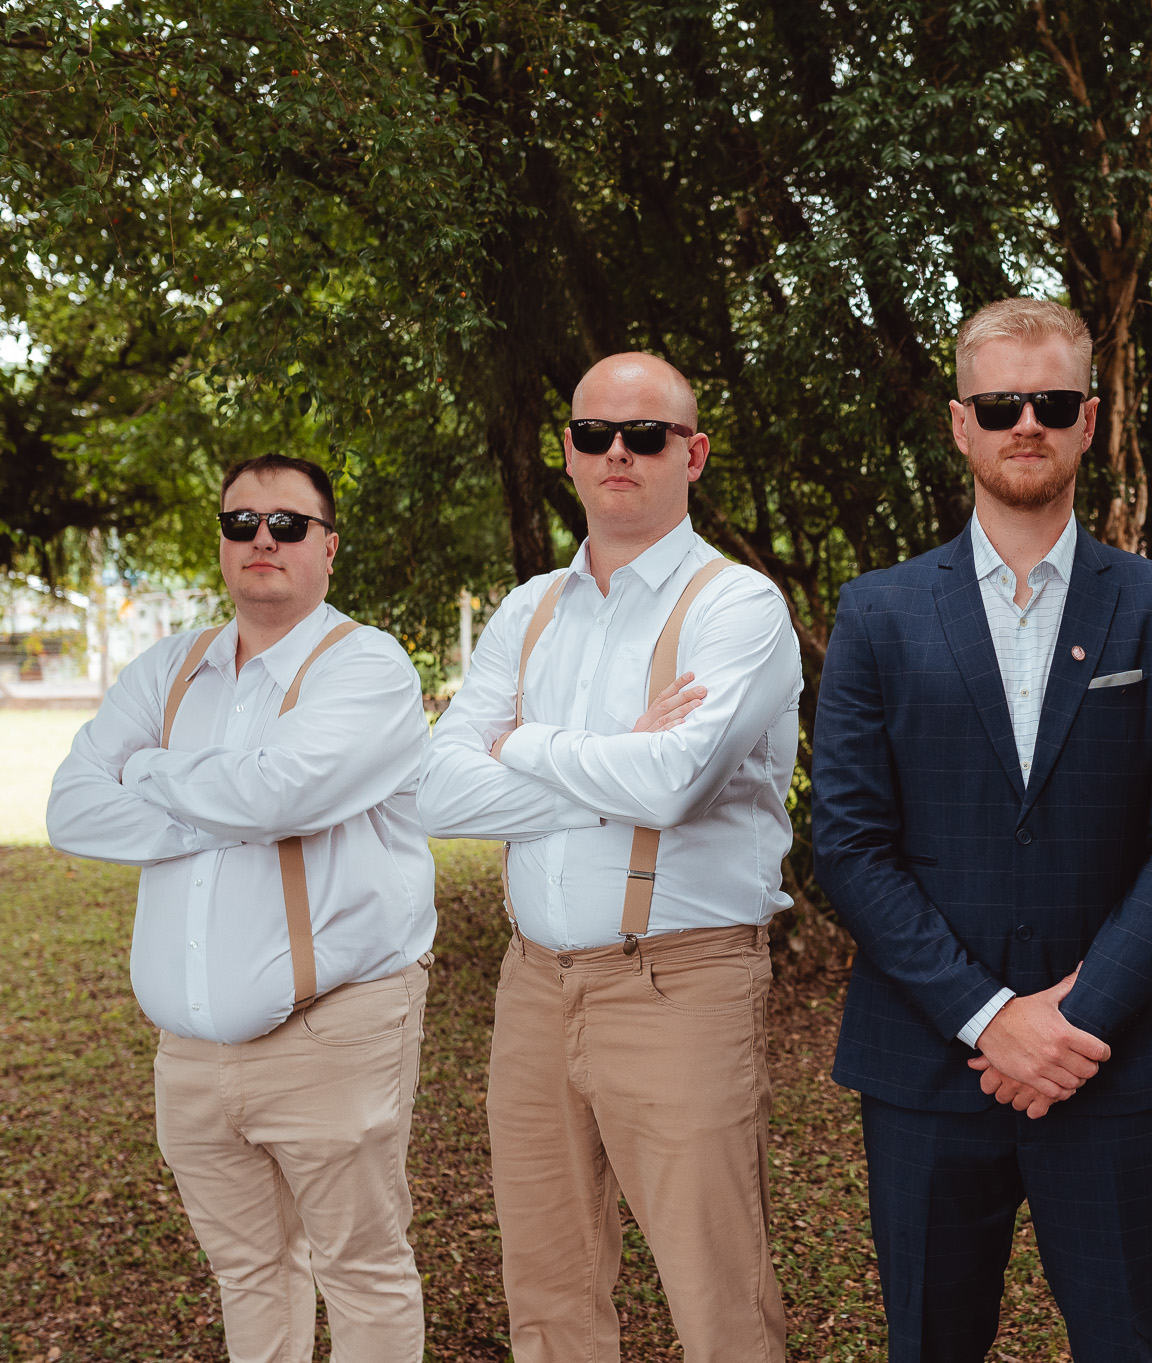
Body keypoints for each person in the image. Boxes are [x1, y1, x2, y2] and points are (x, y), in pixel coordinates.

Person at [810, 297, 1152, 1363]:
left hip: (1114, 1062)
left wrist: (1068, 1021)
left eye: (1051, 402)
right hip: (927, 1064)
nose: (1026, 424)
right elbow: (848, 845)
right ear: (962, 424)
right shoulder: (877, 612)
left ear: (1089, 418)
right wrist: (987, 1015)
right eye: (1000, 405)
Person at [417, 353, 801, 1363]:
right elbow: (435, 790)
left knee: (718, 1297)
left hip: (678, 982)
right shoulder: (528, 609)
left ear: (693, 453)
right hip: (532, 983)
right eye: (595, 434)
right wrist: (614, 758)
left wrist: (522, 741)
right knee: (548, 1291)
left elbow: (673, 783)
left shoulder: (737, 606)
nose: (617, 452)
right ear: (569, 452)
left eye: (645, 435)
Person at [47, 454, 436, 1362]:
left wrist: (149, 771)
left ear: (328, 547)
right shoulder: (169, 665)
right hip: (187, 1054)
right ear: (222, 542)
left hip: (332, 1032)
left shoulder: (368, 665)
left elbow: (277, 795)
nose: (263, 539)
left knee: (362, 1272)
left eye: (288, 524)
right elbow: (70, 809)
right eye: (242, 523)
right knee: (248, 1272)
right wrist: (228, 808)